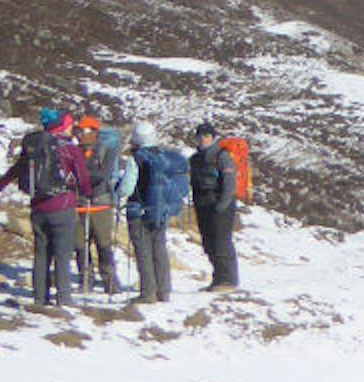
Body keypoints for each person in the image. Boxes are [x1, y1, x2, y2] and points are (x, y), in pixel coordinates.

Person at [0, 108, 91, 308]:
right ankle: (63, 299)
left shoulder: (34, 147)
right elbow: (83, 179)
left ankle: (39, 298)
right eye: (70, 124)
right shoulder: (69, 149)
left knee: (41, 253)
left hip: (38, 207)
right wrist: (87, 193)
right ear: (62, 126)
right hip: (62, 206)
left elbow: (15, 170)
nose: (73, 128)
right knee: (62, 254)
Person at [125, 121, 188, 304]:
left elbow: (127, 187)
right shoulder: (163, 158)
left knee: (143, 252)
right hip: (160, 210)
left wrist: (117, 192)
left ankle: (148, 293)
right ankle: (164, 291)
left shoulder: (135, 159)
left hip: (138, 210)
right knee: (159, 249)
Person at [71, 115, 123, 295]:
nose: (79, 134)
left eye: (84, 131)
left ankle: (109, 280)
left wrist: (80, 177)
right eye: (79, 130)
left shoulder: (107, 151)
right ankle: (85, 279)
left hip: (101, 205)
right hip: (79, 205)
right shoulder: (73, 151)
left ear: (94, 132)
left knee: (103, 244)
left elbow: (103, 175)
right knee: (79, 245)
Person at [188, 122, 239, 291]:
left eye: (207, 135)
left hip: (219, 205)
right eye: (200, 135)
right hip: (203, 205)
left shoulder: (221, 156)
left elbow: (230, 183)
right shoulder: (195, 159)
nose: (203, 139)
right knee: (209, 243)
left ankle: (228, 280)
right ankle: (218, 279)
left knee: (221, 242)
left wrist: (221, 205)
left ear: (213, 137)